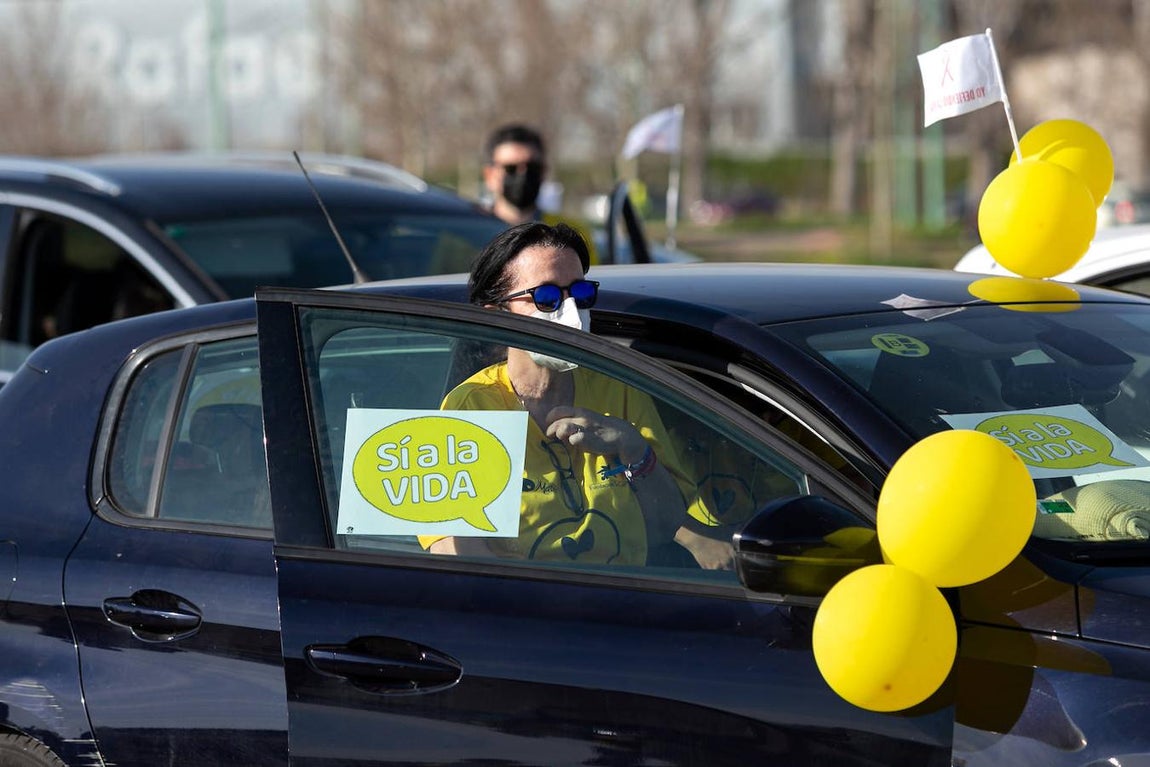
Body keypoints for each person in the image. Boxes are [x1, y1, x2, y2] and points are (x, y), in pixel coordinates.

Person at [421, 222, 686, 564]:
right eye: (547, 298)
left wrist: (630, 446)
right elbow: (456, 552)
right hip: (527, 610)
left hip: (621, 604)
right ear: (497, 317)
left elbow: (667, 525)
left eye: (580, 293)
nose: (572, 313)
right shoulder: (470, 407)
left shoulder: (620, 388)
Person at [482, 124, 599, 262]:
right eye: (511, 168)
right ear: (490, 176)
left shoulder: (572, 235)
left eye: (532, 168)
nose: (522, 175)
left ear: (543, 172)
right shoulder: (467, 234)